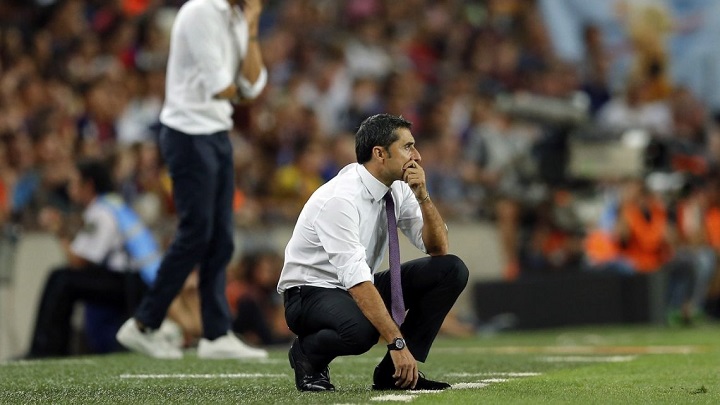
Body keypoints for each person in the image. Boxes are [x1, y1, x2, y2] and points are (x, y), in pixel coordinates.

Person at [116, 0, 269, 360]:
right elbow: (226, 88)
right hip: (187, 133)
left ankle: (216, 335)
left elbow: (254, 84)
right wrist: (244, 86)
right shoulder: (200, 11)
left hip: (217, 132)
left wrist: (251, 30)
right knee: (196, 231)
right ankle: (143, 324)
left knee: (221, 238)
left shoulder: (236, 17)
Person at [277, 114, 469, 392]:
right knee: (362, 331)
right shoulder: (341, 199)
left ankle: (395, 374)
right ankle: (307, 353)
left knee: (451, 270)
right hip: (310, 292)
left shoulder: (399, 187)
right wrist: (397, 342)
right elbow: (356, 281)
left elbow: (438, 248)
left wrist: (423, 196)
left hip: (350, 286)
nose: (417, 155)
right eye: (407, 147)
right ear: (379, 153)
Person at [27, 159, 160, 358]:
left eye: (74, 183)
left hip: (130, 284)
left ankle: (45, 349)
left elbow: (79, 261)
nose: (70, 188)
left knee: (62, 279)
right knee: (62, 278)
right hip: (132, 280)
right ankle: (49, 347)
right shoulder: (111, 206)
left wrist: (58, 232)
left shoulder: (102, 212)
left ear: (88, 185)